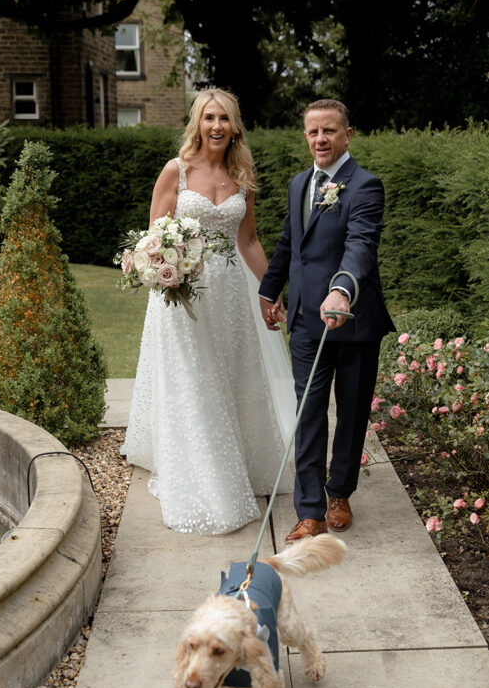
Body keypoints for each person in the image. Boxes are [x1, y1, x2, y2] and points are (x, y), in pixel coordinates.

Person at [121, 89, 295, 534]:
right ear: (197, 123)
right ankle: (205, 479)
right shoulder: (175, 172)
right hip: (184, 297)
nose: (216, 126)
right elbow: (152, 238)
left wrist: (273, 291)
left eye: (224, 119)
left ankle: (241, 462)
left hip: (233, 295)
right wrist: (164, 269)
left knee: (230, 375)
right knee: (195, 381)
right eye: (208, 117)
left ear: (235, 126)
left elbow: (249, 242)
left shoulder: (242, 176)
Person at [259, 98, 394, 541]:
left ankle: (339, 493)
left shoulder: (365, 186)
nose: (321, 139)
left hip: (353, 320)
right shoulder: (300, 183)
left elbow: (361, 245)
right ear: (305, 135)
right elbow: (288, 242)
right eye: (314, 131)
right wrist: (269, 289)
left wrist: (342, 289)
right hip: (305, 322)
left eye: (330, 131)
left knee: (352, 414)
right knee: (309, 413)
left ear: (347, 134)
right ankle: (310, 511)